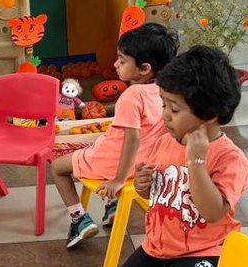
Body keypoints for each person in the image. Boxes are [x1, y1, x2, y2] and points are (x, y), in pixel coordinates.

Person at [98, 45, 248, 267]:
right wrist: (144, 184)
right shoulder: (165, 141)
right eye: (163, 104)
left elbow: (214, 213)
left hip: (207, 252)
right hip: (159, 246)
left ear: (210, 115)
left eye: (174, 108)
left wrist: (196, 162)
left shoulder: (230, 158)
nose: (165, 115)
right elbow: (154, 193)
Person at [50, 23, 178, 248]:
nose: (115, 64)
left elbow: (132, 139)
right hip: (146, 165)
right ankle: (112, 206)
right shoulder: (166, 91)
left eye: (121, 60)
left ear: (144, 68)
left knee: (58, 167)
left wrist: (118, 180)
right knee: (101, 141)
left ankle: (80, 220)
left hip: (117, 166)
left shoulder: (132, 95)